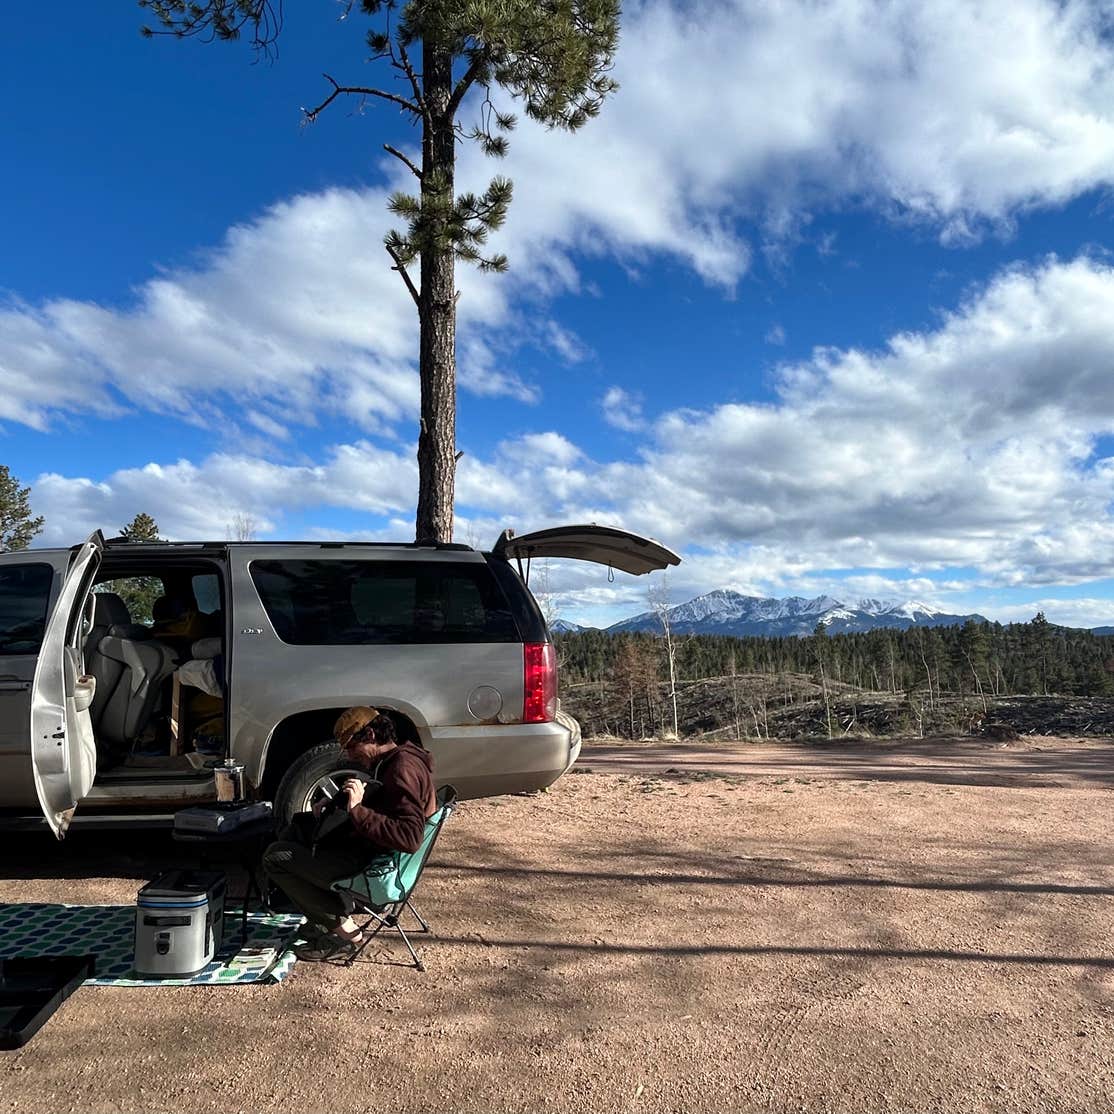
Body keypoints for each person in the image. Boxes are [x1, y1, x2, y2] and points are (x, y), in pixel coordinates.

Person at [262, 705, 436, 961]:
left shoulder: (401, 769)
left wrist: (356, 810)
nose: (350, 755)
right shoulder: (399, 759)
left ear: (371, 736)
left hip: (376, 866)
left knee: (276, 857)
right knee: (298, 830)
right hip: (375, 852)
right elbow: (387, 806)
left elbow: (409, 837)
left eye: (352, 747)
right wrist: (340, 803)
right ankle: (323, 919)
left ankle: (345, 932)